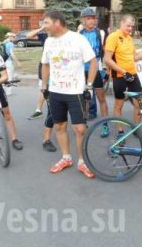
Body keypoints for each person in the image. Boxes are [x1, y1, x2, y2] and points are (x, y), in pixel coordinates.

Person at [40, 10, 98, 178]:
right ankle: (66, 157)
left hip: (75, 92)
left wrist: (89, 86)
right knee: (59, 126)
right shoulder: (49, 42)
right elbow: (45, 64)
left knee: (79, 129)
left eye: (46, 23)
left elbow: (93, 62)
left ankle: (82, 161)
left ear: (57, 23)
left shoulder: (78, 39)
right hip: (55, 91)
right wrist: (44, 86)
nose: (44, 27)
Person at [104, 14, 142, 125]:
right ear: (121, 23)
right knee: (119, 104)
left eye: (132, 26)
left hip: (132, 74)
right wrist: (124, 72)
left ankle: (137, 128)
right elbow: (107, 59)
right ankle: (120, 132)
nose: (130, 28)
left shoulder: (129, 38)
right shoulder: (113, 37)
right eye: (128, 26)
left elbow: (135, 57)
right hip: (119, 76)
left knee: (139, 102)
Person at [25, 25, 57, 152]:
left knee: (60, 112)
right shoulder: (45, 36)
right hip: (47, 75)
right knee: (52, 110)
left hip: (63, 79)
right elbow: (28, 36)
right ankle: (46, 139)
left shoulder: (64, 38)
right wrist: (42, 28)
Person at [79, 7, 109, 127]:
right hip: (82, 70)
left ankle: (105, 124)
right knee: (85, 97)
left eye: (93, 18)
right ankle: (84, 120)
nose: (91, 21)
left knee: (101, 96)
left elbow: (105, 50)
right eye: (88, 19)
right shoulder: (79, 35)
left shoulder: (100, 33)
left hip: (96, 69)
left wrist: (106, 68)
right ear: (83, 20)